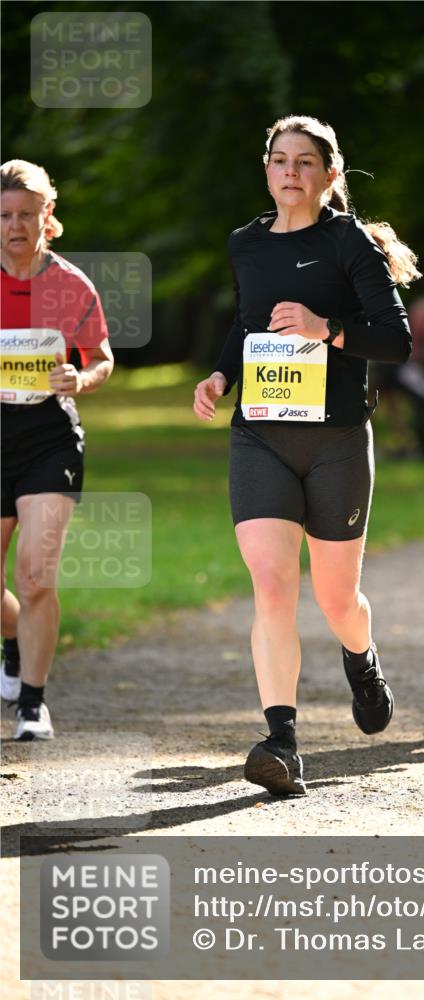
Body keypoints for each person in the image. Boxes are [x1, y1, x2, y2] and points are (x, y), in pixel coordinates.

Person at [193, 115, 418, 795]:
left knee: (336, 597)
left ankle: (361, 657)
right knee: (270, 583)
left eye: (305, 161)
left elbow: (397, 340)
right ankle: (280, 741)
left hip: (337, 440)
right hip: (259, 432)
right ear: (266, 169)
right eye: (279, 160)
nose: (290, 171)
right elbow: (245, 322)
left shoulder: (348, 242)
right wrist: (221, 375)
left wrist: (329, 331)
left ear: (329, 174)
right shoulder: (244, 244)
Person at [1, 160, 114, 740]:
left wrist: (81, 378)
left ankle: (32, 705)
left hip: (47, 434)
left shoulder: (70, 284)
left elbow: (100, 357)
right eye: (4, 216)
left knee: (36, 575)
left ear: (48, 216)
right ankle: (13, 644)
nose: (15, 226)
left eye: (27, 214)